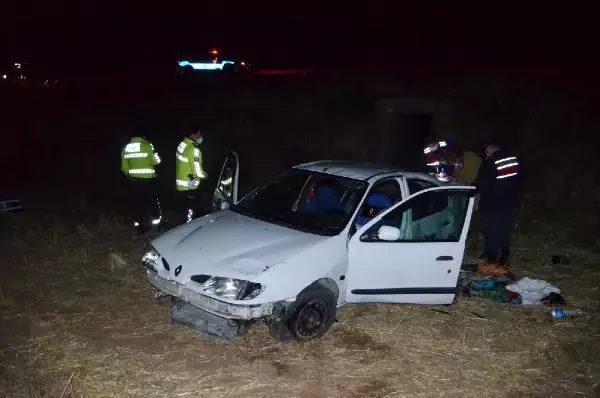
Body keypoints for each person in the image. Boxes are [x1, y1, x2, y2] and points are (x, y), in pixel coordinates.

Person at [475, 140, 522, 277]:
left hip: (492, 205)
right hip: (511, 203)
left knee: (491, 232)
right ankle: (504, 258)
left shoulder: (490, 163)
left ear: (489, 151)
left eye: (486, 153)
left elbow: (481, 184)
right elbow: (522, 178)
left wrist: (473, 188)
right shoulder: (514, 160)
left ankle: (491, 260)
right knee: (504, 231)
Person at [120, 135, 162, 234]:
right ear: (143, 136)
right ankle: (156, 227)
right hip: (148, 180)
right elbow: (157, 161)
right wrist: (155, 153)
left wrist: (131, 176)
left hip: (134, 181)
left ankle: (139, 228)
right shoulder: (147, 145)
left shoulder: (126, 147)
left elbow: (124, 168)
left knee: (137, 204)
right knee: (153, 203)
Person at [176, 125, 208, 223]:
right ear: (193, 135)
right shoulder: (193, 149)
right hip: (190, 187)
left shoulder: (182, 144)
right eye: (199, 134)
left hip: (181, 186)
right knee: (191, 217)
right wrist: (205, 175)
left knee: (184, 214)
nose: (201, 136)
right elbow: (197, 171)